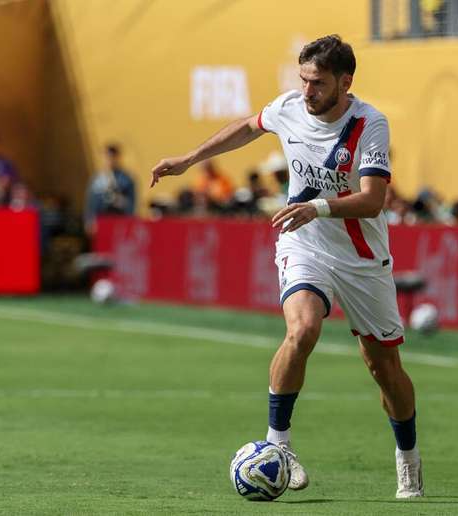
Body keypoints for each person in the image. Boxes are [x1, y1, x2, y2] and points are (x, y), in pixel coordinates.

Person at [151, 35, 423, 499]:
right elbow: (248, 126)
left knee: (385, 369)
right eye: (303, 80)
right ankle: (280, 447)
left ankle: (408, 460)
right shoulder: (290, 107)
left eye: (317, 83)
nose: (307, 91)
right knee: (302, 331)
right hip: (304, 245)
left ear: (345, 81)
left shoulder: (370, 124)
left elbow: (374, 200)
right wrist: (189, 159)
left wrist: (317, 206)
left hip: (361, 259)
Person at [84, 144, 137, 237]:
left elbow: (132, 203)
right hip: (101, 223)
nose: (109, 160)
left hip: (119, 223)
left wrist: (121, 202)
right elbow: (91, 203)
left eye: (112, 157)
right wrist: (89, 221)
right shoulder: (97, 179)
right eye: (106, 157)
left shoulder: (126, 179)